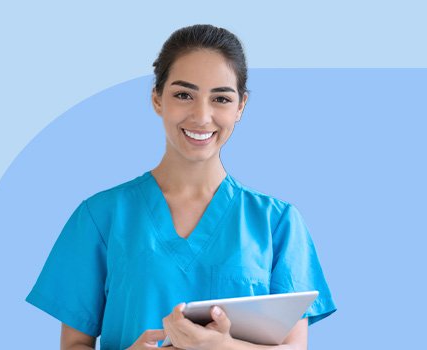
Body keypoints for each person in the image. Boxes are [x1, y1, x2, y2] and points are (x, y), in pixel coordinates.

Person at [25, 24, 337, 350]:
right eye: (183, 95)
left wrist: (217, 347)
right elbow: (74, 344)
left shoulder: (277, 223)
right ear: (157, 98)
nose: (202, 117)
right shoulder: (100, 216)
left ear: (240, 107)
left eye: (221, 98)